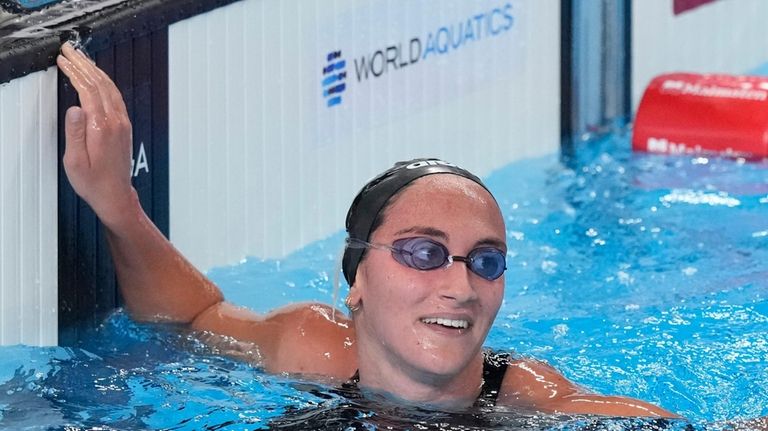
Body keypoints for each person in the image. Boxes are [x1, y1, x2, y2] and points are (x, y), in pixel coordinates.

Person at [55, 42, 767, 426]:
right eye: (423, 252)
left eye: (485, 261)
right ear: (357, 278)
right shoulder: (312, 345)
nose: (458, 284)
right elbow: (190, 317)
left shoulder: (523, 399)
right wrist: (116, 202)